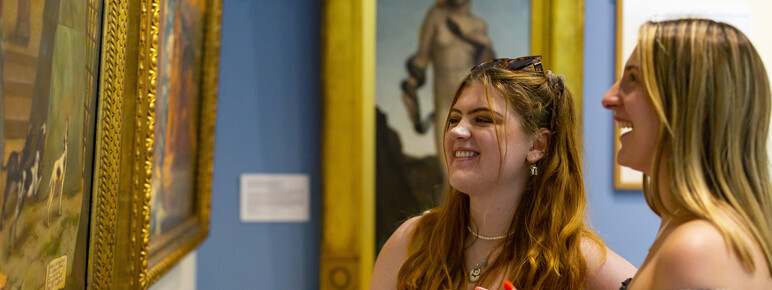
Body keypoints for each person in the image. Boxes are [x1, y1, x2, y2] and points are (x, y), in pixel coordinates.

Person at [372, 56, 636, 290]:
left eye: (483, 119)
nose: (456, 131)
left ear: (537, 145)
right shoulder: (411, 242)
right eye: (454, 119)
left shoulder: (581, 262)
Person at [602, 18, 772, 289]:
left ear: (696, 105)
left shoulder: (697, 248)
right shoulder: (680, 224)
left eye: (633, 79)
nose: (609, 98)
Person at [400, 0, 495, 203]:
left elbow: (488, 71)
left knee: (475, 178)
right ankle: (447, 231)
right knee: (451, 177)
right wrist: (411, 85)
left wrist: (482, 45)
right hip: (447, 110)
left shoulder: (479, 26)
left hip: (476, 111)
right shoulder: (436, 17)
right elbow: (422, 58)